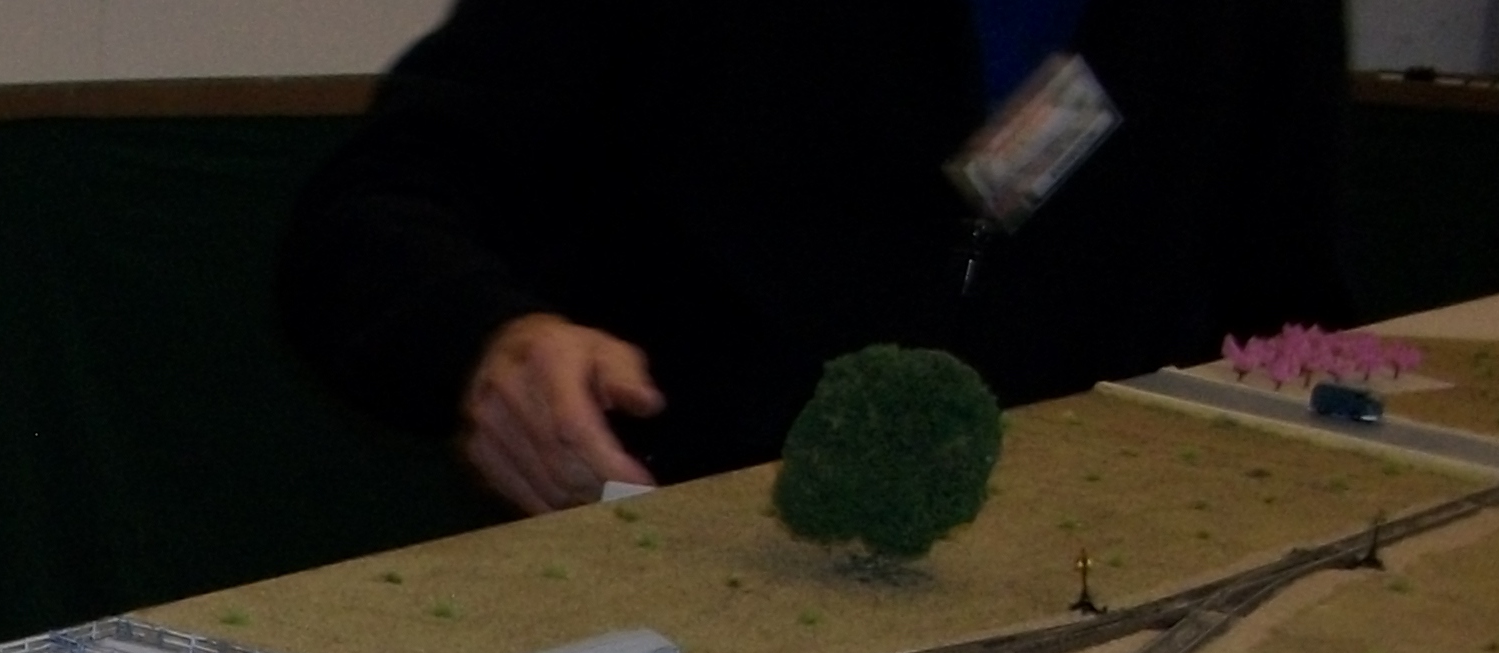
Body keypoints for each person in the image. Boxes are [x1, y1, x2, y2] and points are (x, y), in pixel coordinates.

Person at [277, 0, 1352, 513]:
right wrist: (490, 345)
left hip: (1090, 594)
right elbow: (369, 209)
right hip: (679, 573)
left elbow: (1291, 312)